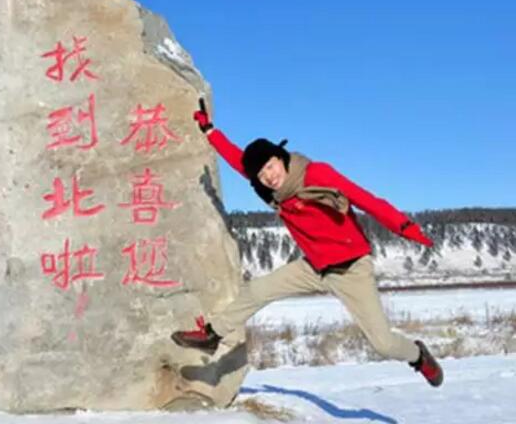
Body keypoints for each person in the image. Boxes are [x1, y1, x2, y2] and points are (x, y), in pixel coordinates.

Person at [171, 99, 443, 387]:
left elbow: (365, 199)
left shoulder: (315, 174)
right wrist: (210, 132)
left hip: (351, 269)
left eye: (271, 167)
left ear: (281, 158)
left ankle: (418, 356)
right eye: (262, 174)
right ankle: (212, 335)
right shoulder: (271, 191)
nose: (269, 177)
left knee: (383, 344)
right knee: (257, 289)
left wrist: (404, 226)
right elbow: (240, 162)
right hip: (315, 266)